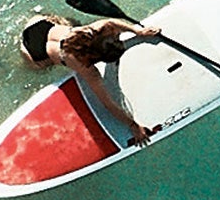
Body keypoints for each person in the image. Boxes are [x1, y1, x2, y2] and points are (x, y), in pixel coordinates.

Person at [19, 13, 163, 147]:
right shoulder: (86, 69)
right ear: (97, 59)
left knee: (67, 26)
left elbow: (111, 23)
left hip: (37, 23)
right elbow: (108, 103)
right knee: (42, 67)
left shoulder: (90, 31)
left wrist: (138, 31)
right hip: (32, 53)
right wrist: (133, 125)